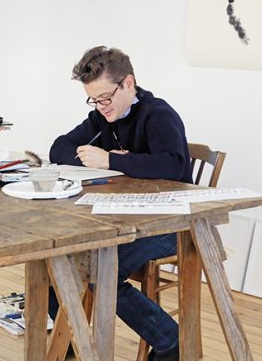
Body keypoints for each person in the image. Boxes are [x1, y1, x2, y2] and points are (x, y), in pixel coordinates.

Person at [48, 46, 192, 361]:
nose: (100, 107)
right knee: (57, 262)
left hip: (169, 222)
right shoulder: (104, 118)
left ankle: (170, 341)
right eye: (93, 99)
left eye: (105, 98)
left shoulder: (159, 115)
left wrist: (111, 159)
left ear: (128, 84)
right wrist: (97, 160)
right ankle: (70, 345)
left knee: (101, 273)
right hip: (124, 218)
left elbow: (174, 167)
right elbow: (59, 147)